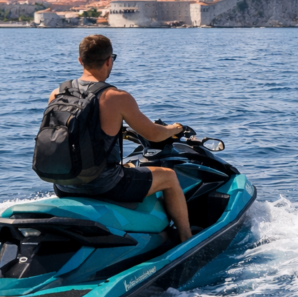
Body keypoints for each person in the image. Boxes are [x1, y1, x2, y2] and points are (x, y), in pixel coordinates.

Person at [49, 34, 192, 242]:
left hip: (63, 185)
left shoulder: (57, 93)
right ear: (109, 60)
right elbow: (153, 134)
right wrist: (174, 129)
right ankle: (186, 238)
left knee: (128, 166)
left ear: (80, 60)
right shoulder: (115, 97)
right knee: (169, 177)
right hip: (104, 185)